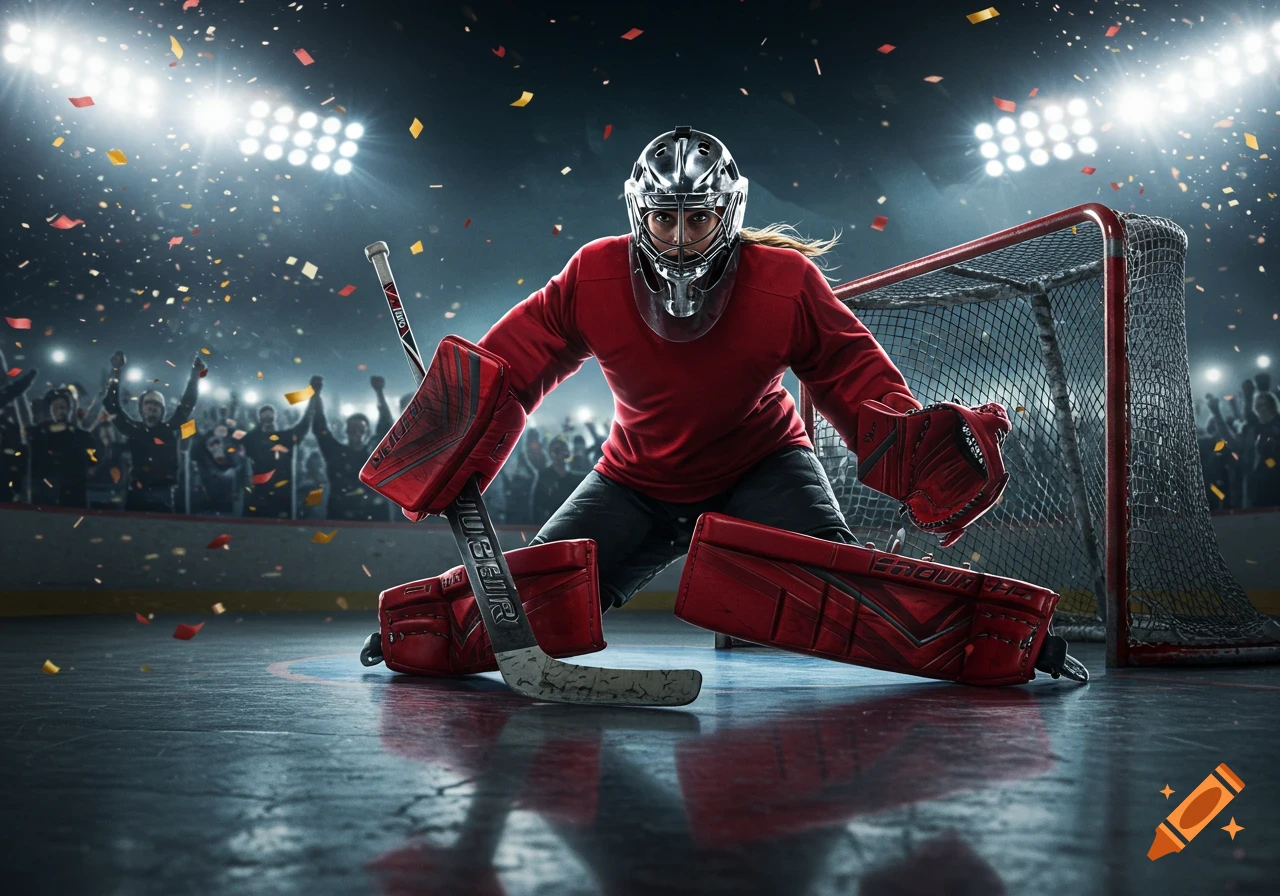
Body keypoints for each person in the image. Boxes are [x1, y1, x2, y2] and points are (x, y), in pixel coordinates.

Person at [477, 126, 928, 611]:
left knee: (854, 605)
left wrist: (918, 457)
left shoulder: (785, 280)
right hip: (634, 482)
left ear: (727, 213)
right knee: (524, 606)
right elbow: (511, 363)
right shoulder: (593, 272)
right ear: (639, 212)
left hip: (762, 470)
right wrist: (457, 423)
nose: (679, 239)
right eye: (664, 219)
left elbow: (854, 375)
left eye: (697, 219)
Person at [104, 349, 205, 513]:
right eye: (148, 404)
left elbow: (187, 403)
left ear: (163, 411)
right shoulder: (133, 429)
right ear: (142, 409)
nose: (152, 407)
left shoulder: (170, 429)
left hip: (163, 493)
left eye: (157, 405)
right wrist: (116, 371)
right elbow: (111, 404)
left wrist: (195, 375)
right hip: (136, 492)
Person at [312, 374, 393, 520]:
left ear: (367, 432)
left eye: (360, 429)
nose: (356, 432)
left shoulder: (374, 455)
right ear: (346, 430)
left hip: (373, 515)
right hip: (341, 514)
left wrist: (380, 393)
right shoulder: (335, 452)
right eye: (353, 428)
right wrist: (316, 395)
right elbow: (319, 427)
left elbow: (386, 426)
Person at [240, 396, 317, 518]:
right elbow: (239, 443)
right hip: (259, 493)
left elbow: (302, 427)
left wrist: (312, 403)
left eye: (270, 417)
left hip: (281, 494)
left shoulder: (284, 438)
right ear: (259, 420)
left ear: (275, 419)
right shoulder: (253, 439)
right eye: (264, 417)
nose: (268, 420)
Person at [28, 386, 95, 507]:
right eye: (56, 405)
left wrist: (91, 464)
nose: (61, 410)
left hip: (72, 492)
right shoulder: (37, 433)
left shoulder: (79, 435)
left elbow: (91, 456)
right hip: (44, 493)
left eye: (64, 406)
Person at [529, 435, 579, 524]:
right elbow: (537, 504)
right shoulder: (544, 477)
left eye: (560, 450)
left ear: (566, 452)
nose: (557, 454)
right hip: (549, 523)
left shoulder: (575, 479)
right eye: (554, 451)